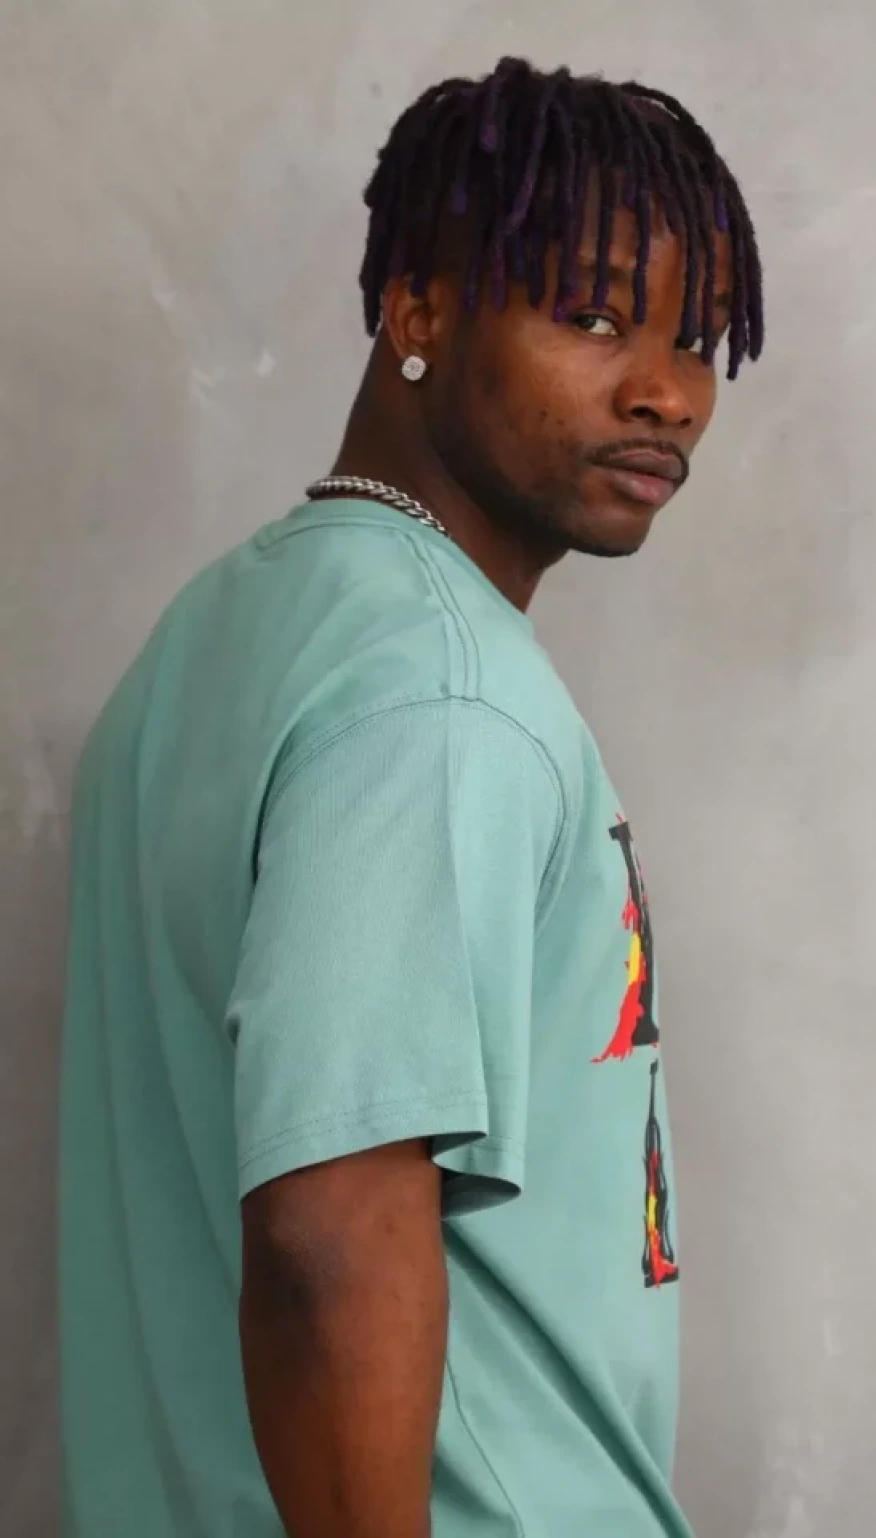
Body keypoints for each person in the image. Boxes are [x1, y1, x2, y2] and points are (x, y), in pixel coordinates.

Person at [59, 55, 763, 1538]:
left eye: (696, 337)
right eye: (594, 316)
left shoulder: (218, 636)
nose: (666, 391)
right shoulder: (439, 696)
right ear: (419, 312)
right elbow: (328, 1238)